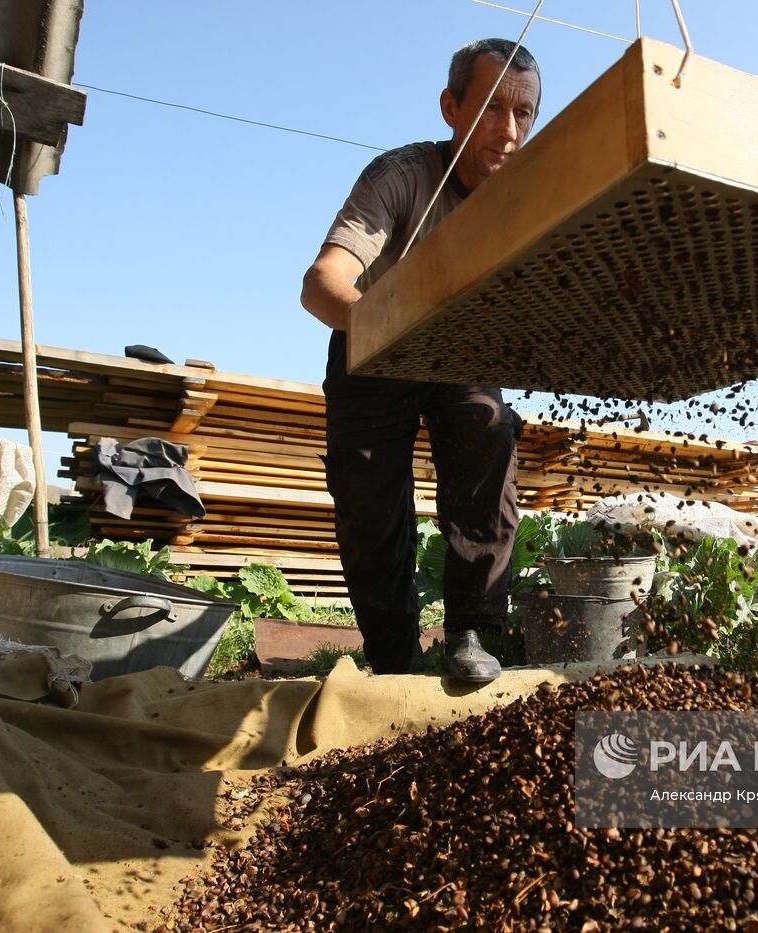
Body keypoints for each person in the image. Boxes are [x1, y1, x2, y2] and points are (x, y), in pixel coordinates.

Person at [300, 39, 541, 683]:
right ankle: (395, 660)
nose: (509, 130)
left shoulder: (527, 197)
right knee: (370, 501)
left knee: (487, 426)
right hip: (371, 351)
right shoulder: (401, 176)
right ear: (450, 107)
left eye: (525, 114)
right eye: (492, 108)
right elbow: (322, 283)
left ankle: (468, 634)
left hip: (458, 352)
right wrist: (397, 332)